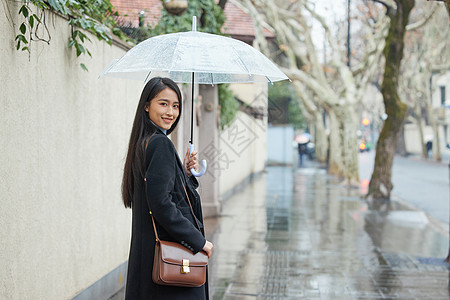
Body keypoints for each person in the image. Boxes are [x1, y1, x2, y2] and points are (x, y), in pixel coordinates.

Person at [122, 77, 213, 299]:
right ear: (147, 105)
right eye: (163, 104)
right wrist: (199, 242)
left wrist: (183, 173)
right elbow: (162, 204)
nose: (170, 112)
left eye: (175, 106)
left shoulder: (144, 142)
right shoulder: (160, 144)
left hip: (149, 260)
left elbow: (160, 192)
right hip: (170, 263)